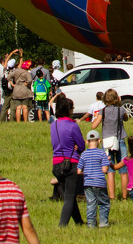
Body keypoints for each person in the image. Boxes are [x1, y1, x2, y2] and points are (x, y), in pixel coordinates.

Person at [50, 96, 85, 227]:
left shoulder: (53, 125)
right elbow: (81, 146)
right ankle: (62, 225)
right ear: (68, 110)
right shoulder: (72, 125)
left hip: (57, 164)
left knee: (69, 196)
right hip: (71, 164)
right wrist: (76, 147)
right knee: (70, 197)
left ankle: (79, 223)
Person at [78, 130, 113, 228]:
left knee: (91, 204)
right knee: (104, 203)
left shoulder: (83, 154)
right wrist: (107, 161)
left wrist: (87, 173)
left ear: (87, 141)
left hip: (87, 183)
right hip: (99, 182)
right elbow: (105, 170)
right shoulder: (102, 154)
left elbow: (78, 171)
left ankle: (91, 224)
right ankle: (103, 223)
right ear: (99, 141)